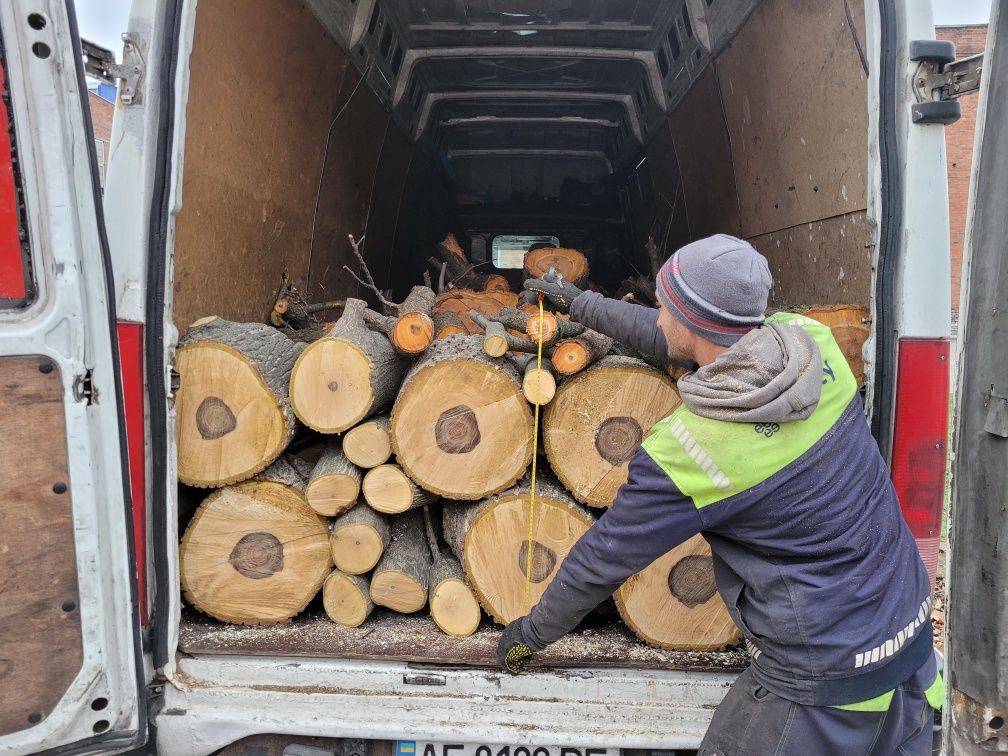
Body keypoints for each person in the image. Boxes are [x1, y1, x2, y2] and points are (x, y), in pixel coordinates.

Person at [498, 235, 943, 755]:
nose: (656, 314)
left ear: (692, 323)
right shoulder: (809, 344)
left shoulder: (691, 452)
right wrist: (581, 303)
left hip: (828, 685)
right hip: (908, 642)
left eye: (664, 304)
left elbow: (602, 559)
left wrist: (530, 635)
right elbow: (674, 336)